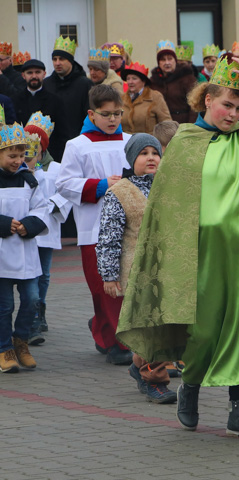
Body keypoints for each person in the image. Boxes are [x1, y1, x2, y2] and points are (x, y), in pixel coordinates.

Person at [116, 53, 239, 439]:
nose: (233, 114)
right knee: (202, 333)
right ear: (207, 101)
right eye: (227, 105)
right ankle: (191, 388)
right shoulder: (185, 143)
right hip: (200, 258)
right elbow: (169, 211)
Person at [96, 134, 177, 404]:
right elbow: (108, 236)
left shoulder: (169, 187)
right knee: (150, 327)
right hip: (136, 272)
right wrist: (108, 275)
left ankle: (141, 365)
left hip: (169, 269)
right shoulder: (120, 192)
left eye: (155, 152)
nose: (151, 157)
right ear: (132, 160)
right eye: (143, 153)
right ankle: (153, 378)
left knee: (167, 324)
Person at [56, 84, 132, 364]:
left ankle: (111, 333)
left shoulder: (132, 140)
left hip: (129, 225)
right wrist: (101, 185)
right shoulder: (77, 145)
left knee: (126, 285)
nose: (112, 119)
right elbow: (64, 183)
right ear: (91, 113)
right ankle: (115, 342)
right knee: (103, 286)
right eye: (106, 114)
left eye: (117, 113)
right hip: (94, 227)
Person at [0, 121, 48, 373]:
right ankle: (4, 347)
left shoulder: (29, 180)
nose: (17, 160)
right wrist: (4, 223)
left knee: (32, 298)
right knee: (4, 305)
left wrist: (29, 225)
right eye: (11, 156)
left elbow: (42, 208)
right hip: (2, 255)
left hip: (25, 251)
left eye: (21, 156)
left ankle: (21, 341)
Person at [23, 112, 67, 345]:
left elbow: (65, 195)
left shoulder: (57, 169)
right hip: (25, 229)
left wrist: (49, 207)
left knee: (44, 272)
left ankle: (40, 309)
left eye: (36, 145)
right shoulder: (20, 170)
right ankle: (30, 313)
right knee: (28, 271)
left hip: (47, 227)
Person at [43, 37, 93, 161]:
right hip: (51, 147)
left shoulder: (85, 84)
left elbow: (90, 115)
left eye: (62, 59)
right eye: (54, 59)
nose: (57, 63)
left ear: (70, 61)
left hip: (77, 143)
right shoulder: (46, 84)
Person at [11, 60, 62, 146]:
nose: (34, 76)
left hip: (47, 153)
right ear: (23, 75)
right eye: (29, 73)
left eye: (38, 72)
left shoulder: (55, 101)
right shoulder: (15, 100)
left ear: (44, 74)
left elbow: (61, 132)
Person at [149, 41, 197, 124]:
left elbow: (195, 105)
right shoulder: (153, 81)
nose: (167, 62)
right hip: (161, 126)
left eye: (170, 59)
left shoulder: (187, 78)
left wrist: (190, 126)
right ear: (159, 63)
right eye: (163, 60)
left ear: (175, 60)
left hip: (183, 125)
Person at [120, 62, 171, 135]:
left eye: (134, 79)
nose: (130, 82)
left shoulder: (155, 97)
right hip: (127, 144)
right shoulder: (121, 99)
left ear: (143, 82)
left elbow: (166, 123)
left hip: (148, 143)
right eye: (128, 79)